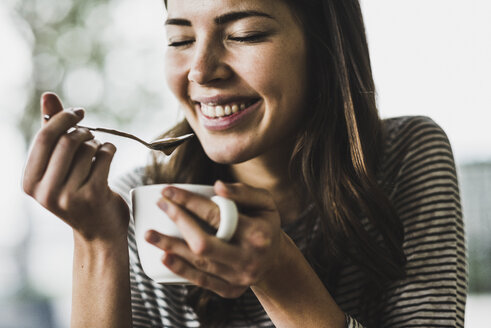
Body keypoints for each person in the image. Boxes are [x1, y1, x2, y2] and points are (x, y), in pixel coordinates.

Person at [22, 0, 467, 327]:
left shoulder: (403, 154)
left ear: (323, 47)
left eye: (246, 34)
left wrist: (278, 273)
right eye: (180, 39)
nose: (200, 70)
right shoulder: (142, 203)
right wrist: (98, 240)